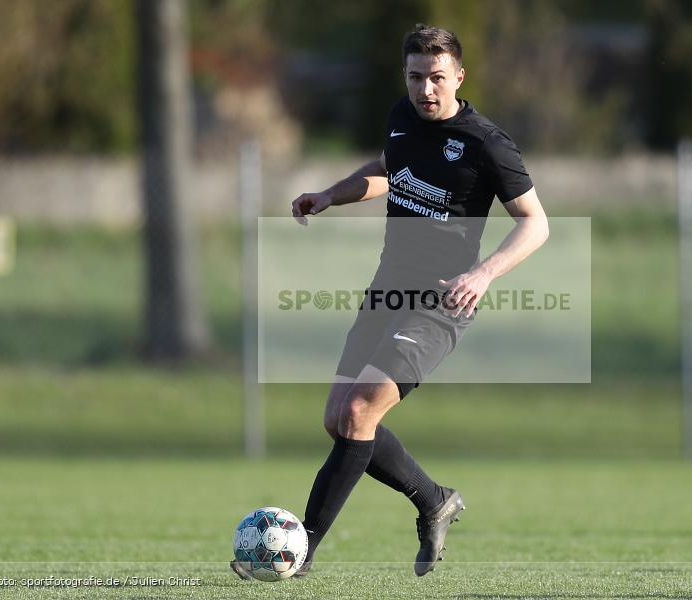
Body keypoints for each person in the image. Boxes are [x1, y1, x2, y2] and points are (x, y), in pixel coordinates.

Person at [232, 23, 548, 580]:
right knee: (338, 419)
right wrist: (331, 195)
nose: (426, 90)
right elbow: (387, 171)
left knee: (360, 410)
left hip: (443, 298)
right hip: (388, 288)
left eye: (436, 79)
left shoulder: (486, 142)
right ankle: (434, 501)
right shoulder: (402, 118)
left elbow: (535, 223)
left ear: (459, 77)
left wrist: (483, 273)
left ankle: (301, 551)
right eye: (416, 77)